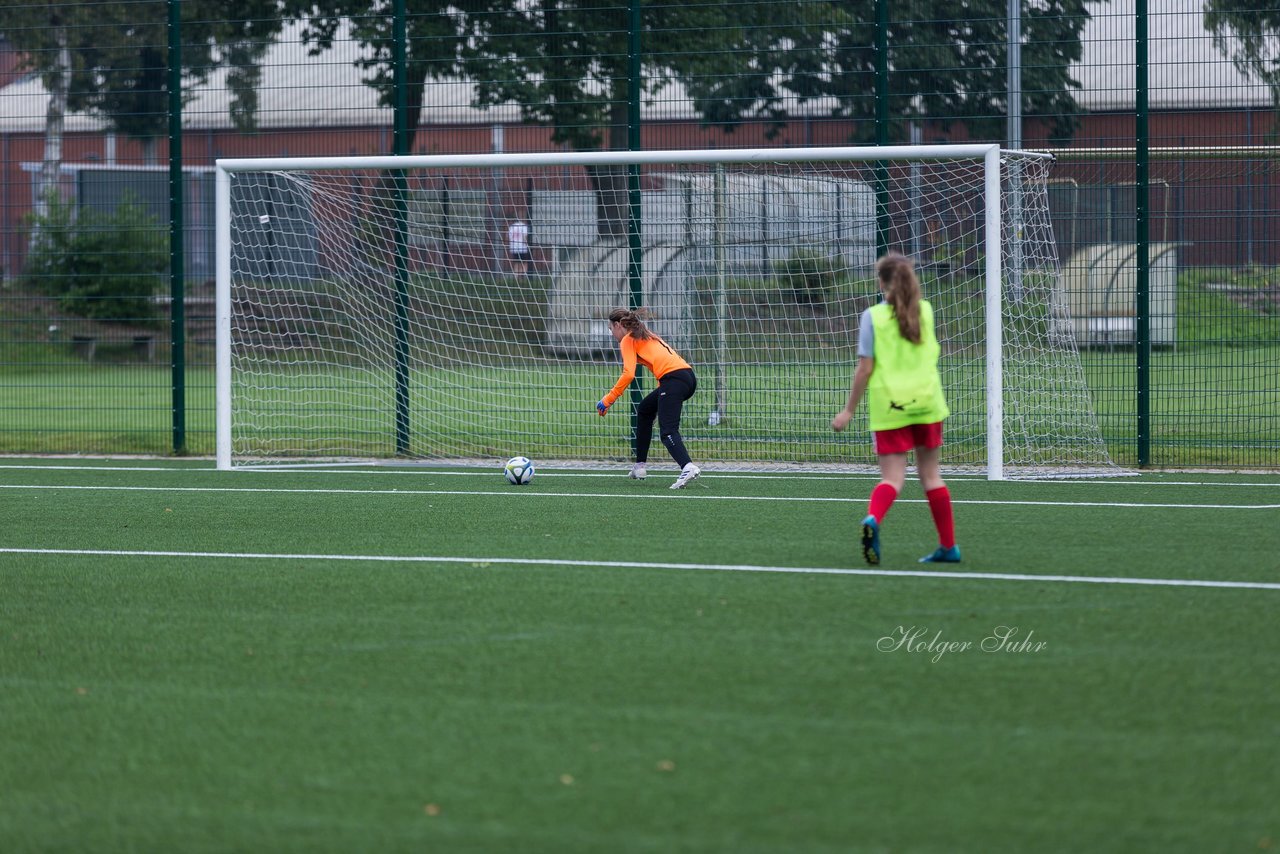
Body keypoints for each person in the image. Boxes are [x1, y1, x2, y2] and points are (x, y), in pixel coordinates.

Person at [831, 253, 960, 565]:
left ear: (881, 282)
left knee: (892, 478)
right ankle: (949, 546)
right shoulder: (926, 311)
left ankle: (873, 519)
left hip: (891, 407)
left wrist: (848, 410)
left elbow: (865, 369)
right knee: (932, 476)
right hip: (928, 404)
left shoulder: (872, 317)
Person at [596, 307, 701, 490]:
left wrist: (608, 399)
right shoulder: (645, 332)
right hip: (687, 377)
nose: (612, 333)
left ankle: (687, 466)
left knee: (667, 431)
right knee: (645, 409)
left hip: (673, 380)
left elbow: (628, 374)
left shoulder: (628, 339)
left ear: (618, 325)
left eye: (611, 329)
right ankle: (640, 466)